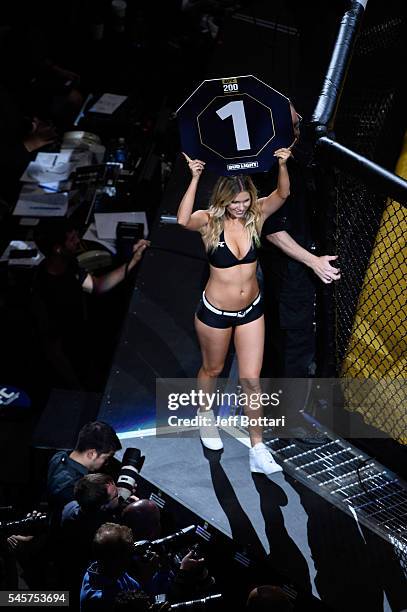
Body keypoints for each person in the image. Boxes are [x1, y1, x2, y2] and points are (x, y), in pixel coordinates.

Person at [177, 147, 291, 475]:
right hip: (216, 312)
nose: (240, 207)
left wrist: (282, 164)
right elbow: (183, 219)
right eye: (235, 202)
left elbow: (283, 193)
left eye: (244, 200)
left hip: (251, 311)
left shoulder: (256, 215)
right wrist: (195, 176)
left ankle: (257, 446)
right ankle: (204, 415)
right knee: (212, 370)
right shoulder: (210, 221)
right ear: (224, 199)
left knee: (251, 379)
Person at [31, 219, 149, 389]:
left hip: (83, 341)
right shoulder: (45, 288)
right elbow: (51, 344)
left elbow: (97, 285)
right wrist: (73, 382)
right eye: (71, 240)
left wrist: (133, 261)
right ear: (58, 248)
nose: (77, 241)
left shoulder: (68, 264)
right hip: (69, 355)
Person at [47, 421, 122, 523]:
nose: (107, 463)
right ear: (91, 454)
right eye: (106, 458)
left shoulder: (59, 456)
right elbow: (82, 518)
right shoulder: (72, 488)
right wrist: (111, 504)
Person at [80, 523, 141, 612]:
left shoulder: (104, 570)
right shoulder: (100, 599)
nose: (130, 559)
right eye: (128, 555)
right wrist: (148, 578)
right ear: (116, 560)